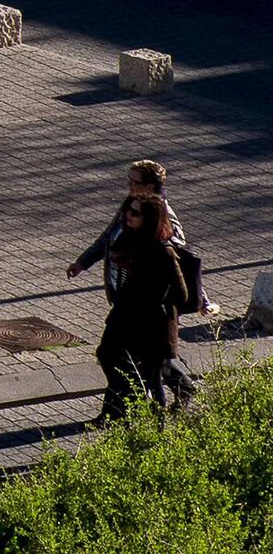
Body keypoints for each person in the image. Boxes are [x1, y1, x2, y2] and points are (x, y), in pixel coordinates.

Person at [72, 161, 204, 420]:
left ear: (150, 187)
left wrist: (157, 304)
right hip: (124, 306)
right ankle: (120, 410)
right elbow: (107, 237)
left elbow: (180, 267)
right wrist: (83, 262)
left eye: (135, 181)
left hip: (149, 316)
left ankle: (153, 422)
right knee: (116, 356)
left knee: (148, 369)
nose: (129, 186)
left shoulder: (161, 224)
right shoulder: (131, 206)